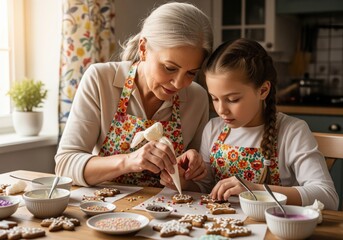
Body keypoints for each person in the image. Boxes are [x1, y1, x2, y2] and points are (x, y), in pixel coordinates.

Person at [162, 38, 339, 210]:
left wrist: (255, 189)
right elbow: (206, 187)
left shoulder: (291, 131)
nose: (221, 109)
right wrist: (183, 182)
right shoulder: (213, 129)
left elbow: (327, 196)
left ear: (263, 90)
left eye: (233, 99)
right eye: (214, 99)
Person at [55, 2, 213, 187]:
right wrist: (129, 161)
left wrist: (188, 176)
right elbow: (65, 165)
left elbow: (202, 185)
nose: (179, 83)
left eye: (191, 73)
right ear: (143, 48)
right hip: (106, 209)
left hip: (168, 212)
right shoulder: (100, 79)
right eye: (170, 68)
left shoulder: (197, 98)